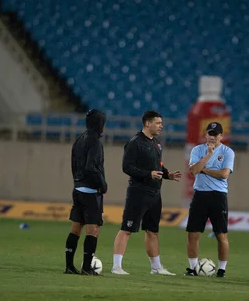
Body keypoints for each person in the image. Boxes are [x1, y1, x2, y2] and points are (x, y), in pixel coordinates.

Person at [111, 110, 182, 275]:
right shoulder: (135, 142)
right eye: (158, 123)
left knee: (152, 230)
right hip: (138, 192)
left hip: (155, 193)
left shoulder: (156, 143)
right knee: (127, 228)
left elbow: (157, 166)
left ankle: (156, 267)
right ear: (147, 123)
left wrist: (167, 174)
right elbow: (126, 167)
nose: (161, 126)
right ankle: (116, 266)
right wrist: (147, 174)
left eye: (161, 123)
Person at [185, 122, 235, 278]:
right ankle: (193, 268)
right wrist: (208, 155)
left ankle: (222, 270)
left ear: (221, 136)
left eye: (216, 134)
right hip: (200, 194)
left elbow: (224, 174)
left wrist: (203, 169)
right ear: (206, 135)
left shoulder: (227, 152)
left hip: (218, 195)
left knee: (221, 234)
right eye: (210, 134)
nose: (212, 137)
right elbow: (193, 170)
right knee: (193, 233)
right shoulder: (197, 150)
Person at [64, 109, 108, 276]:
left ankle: (69, 266)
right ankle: (87, 268)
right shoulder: (95, 142)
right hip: (90, 192)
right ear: (100, 124)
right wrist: (103, 185)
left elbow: (74, 164)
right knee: (93, 230)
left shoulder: (79, 139)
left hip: (78, 189)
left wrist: (77, 181)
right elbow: (92, 167)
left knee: (75, 228)